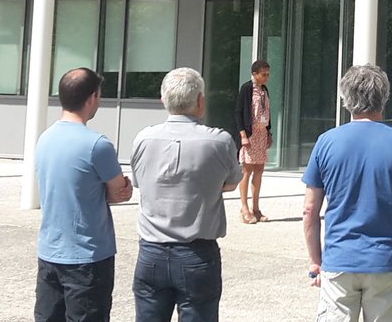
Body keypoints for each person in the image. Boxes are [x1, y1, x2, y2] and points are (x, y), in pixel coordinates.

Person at [303, 65, 392, 320]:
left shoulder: (326, 142)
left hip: (339, 260)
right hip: (386, 261)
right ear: (384, 97)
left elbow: (309, 210)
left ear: (345, 98)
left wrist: (316, 261)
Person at [131, 68, 242, 321]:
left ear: (163, 100)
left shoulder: (143, 138)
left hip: (151, 251)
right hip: (197, 253)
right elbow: (231, 183)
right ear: (200, 101)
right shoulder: (220, 141)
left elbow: (140, 182)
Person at [35, 67, 134, 322]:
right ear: (93, 97)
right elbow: (119, 191)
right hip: (87, 256)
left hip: (50, 251)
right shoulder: (97, 144)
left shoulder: (44, 138)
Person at [234, 60, 272, 224]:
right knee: (247, 170)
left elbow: (267, 111)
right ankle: (244, 208)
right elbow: (239, 112)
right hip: (250, 135)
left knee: (259, 170)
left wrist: (268, 132)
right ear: (255, 74)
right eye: (263, 74)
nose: (266, 77)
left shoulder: (264, 90)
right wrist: (243, 135)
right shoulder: (247, 89)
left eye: (268, 74)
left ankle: (256, 208)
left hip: (261, 134)